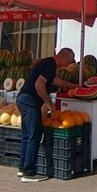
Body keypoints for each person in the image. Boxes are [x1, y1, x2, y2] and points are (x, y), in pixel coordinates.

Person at [16, 47, 76, 182]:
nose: (69, 65)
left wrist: (71, 85)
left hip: (23, 100)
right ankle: (29, 173)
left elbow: (53, 80)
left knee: (27, 136)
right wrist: (49, 104)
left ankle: (22, 168)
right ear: (65, 57)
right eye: (70, 61)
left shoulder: (48, 63)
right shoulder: (50, 64)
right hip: (30, 102)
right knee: (34, 136)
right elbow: (39, 84)